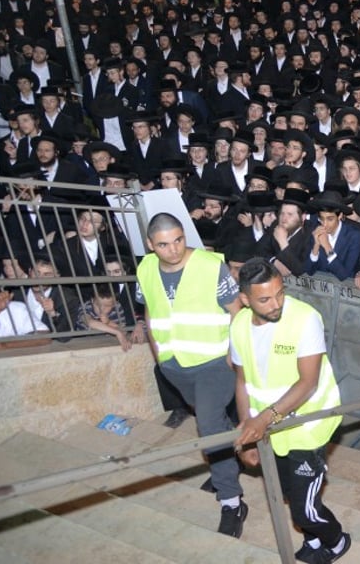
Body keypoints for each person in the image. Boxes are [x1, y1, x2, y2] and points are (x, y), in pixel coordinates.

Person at [231, 258, 351, 563]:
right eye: (265, 299)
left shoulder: (304, 318)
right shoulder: (238, 325)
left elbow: (308, 383)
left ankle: (337, 541)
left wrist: (263, 419)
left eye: (280, 293)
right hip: (272, 427)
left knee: (304, 509)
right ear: (245, 299)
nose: (276, 304)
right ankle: (312, 541)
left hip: (309, 423)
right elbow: (243, 381)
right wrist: (247, 430)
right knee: (288, 491)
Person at [136, 213, 246, 537]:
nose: (173, 250)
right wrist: (159, 355)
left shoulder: (211, 265)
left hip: (215, 362)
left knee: (208, 424)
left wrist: (234, 354)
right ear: (150, 245)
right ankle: (226, 458)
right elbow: (149, 310)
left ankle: (232, 500)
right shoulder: (144, 269)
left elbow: (236, 311)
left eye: (179, 240)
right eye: (164, 244)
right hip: (175, 366)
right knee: (216, 426)